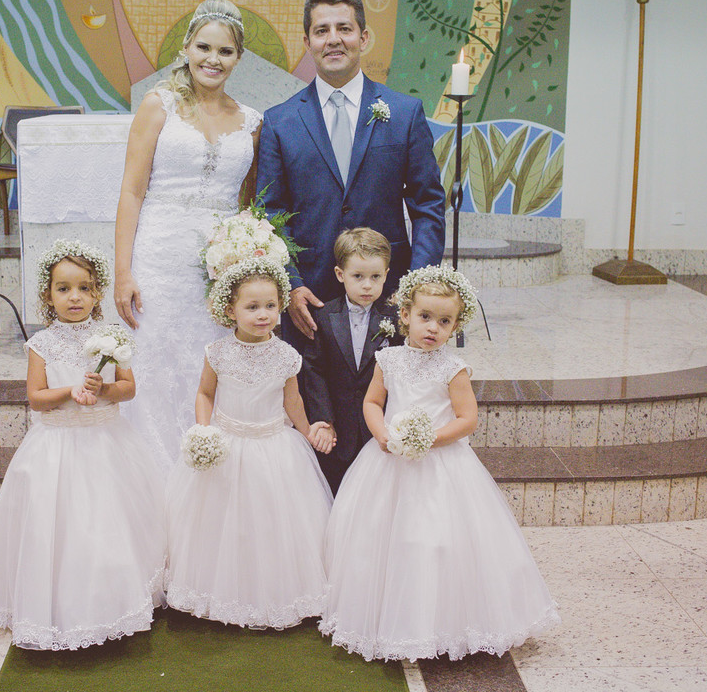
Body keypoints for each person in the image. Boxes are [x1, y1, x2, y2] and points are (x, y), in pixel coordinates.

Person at [320, 265, 558, 661]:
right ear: (405, 315)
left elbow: (467, 419)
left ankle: (443, 624)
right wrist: (382, 434)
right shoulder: (388, 359)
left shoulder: (453, 369)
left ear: (456, 326)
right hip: (389, 463)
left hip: (441, 466)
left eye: (444, 322)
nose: (433, 328)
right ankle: (384, 616)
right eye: (425, 317)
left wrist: (428, 439)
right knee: (381, 538)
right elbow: (372, 402)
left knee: (434, 540)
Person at [0, 239, 165, 650]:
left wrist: (104, 388)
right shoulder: (41, 344)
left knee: (108, 525)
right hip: (56, 447)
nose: (74, 297)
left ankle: (112, 601)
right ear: (48, 295)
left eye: (84, 288)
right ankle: (58, 605)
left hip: (106, 444)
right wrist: (69, 391)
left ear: (97, 293)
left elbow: (129, 388)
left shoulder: (111, 338)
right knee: (60, 529)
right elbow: (36, 397)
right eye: (64, 288)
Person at [114, 0, 260, 467]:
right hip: (159, 257)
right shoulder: (159, 106)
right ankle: (153, 472)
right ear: (186, 48)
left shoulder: (252, 122)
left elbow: (249, 203)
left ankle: (208, 462)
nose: (213, 59)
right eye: (204, 47)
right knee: (156, 361)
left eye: (225, 51)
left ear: (238, 58)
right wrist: (123, 272)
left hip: (219, 265)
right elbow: (131, 191)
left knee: (209, 361)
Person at [256, 0, 446, 344]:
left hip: (389, 291)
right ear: (307, 42)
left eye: (344, 28)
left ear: (363, 37)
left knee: (386, 382)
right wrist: (291, 285)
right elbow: (271, 213)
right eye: (321, 30)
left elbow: (428, 204)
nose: (334, 39)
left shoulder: (405, 113)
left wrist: (416, 284)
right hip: (310, 296)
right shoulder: (280, 121)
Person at [165, 256, 335, 629]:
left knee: (271, 524)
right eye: (252, 307)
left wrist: (308, 430)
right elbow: (205, 394)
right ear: (231, 310)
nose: (263, 314)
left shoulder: (286, 355)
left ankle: (272, 593)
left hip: (273, 446)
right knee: (222, 522)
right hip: (227, 445)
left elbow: (293, 402)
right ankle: (219, 590)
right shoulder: (217, 353)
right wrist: (204, 430)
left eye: (271, 306)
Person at [301, 227, 401, 494]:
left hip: (379, 430)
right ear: (340, 274)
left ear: (386, 275)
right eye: (358, 276)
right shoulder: (323, 316)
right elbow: (314, 370)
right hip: (336, 431)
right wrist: (324, 419)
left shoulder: (395, 319)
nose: (367, 285)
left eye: (375, 277)